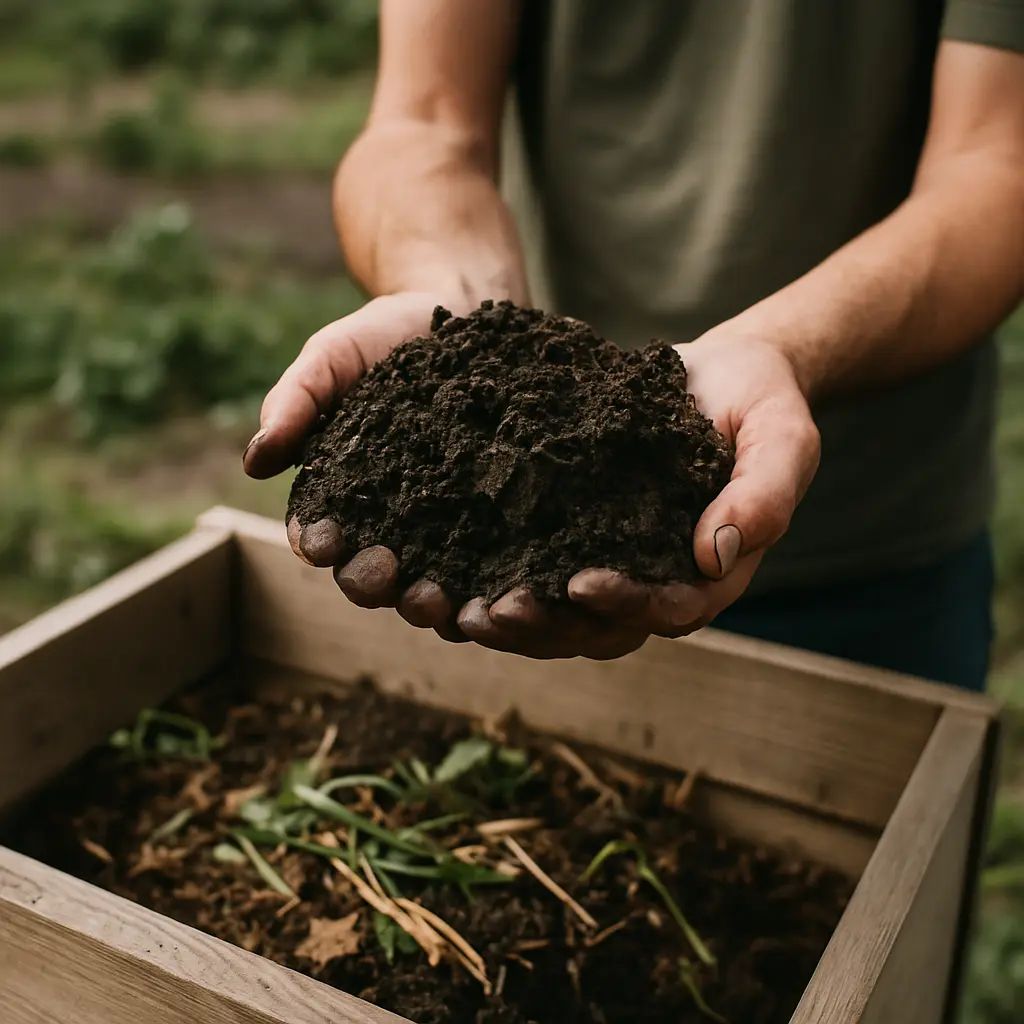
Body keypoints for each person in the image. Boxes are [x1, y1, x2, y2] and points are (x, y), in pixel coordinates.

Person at [243, 1, 1024, 688]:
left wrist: (779, 348)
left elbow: (995, 168)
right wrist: (456, 302)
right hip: (521, 558)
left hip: (869, 548)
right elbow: (422, 121)